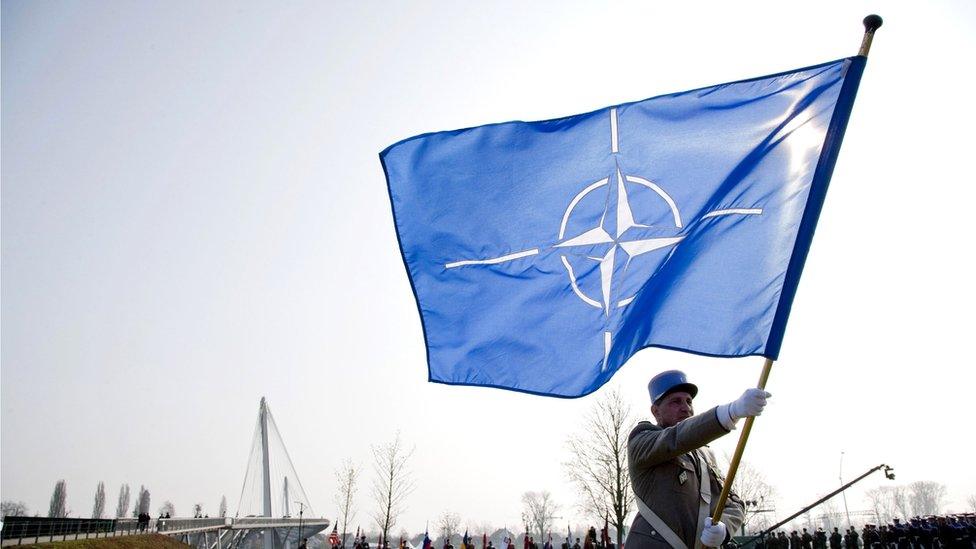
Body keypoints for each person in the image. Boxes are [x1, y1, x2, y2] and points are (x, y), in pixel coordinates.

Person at [625, 370, 770, 549]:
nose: (686, 407)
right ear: (656, 411)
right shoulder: (642, 440)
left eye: (688, 401)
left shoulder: (705, 455)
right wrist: (729, 413)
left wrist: (724, 528)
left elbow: (734, 503)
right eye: (675, 402)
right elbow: (676, 438)